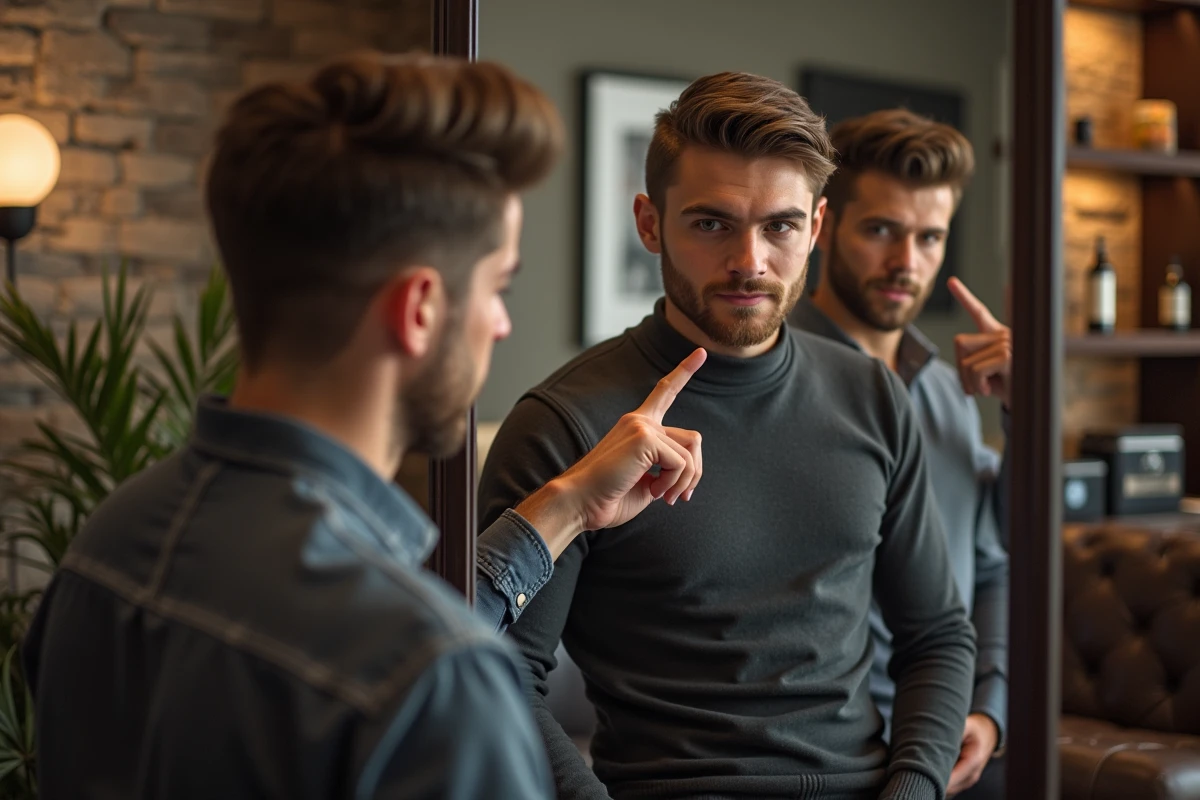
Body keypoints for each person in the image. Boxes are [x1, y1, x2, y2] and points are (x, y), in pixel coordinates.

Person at [22, 52, 709, 799]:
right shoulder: (431, 675)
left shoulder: (107, 545)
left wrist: (569, 504)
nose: (502, 324)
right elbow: (406, 646)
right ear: (419, 310)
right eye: (498, 287)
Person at [479, 71, 976, 800]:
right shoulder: (565, 423)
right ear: (650, 223)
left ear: (815, 228)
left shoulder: (872, 396)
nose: (750, 261)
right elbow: (498, 673)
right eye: (712, 224)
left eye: (780, 226)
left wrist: (915, 789)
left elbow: (937, 635)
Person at [790, 108, 1010, 798]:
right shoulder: (769, 381)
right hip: (827, 756)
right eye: (881, 230)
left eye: (930, 237)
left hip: (953, 740)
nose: (906, 263)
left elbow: (991, 567)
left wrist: (989, 710)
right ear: (825, 227)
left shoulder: (949, 392)